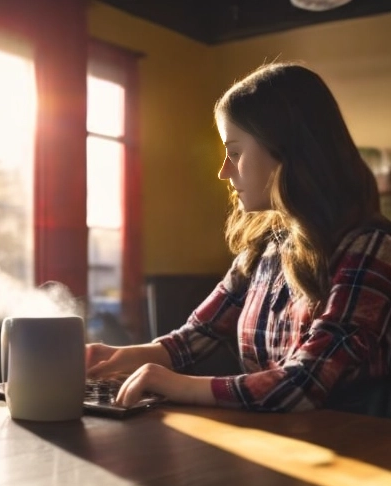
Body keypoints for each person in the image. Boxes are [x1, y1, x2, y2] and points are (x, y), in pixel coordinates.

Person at [86, 61, 391, 415]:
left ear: (285, 148)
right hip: (278, 446)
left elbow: (305, 384)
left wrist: (172, 383)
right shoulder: (266, 246)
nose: (223, 172)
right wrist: (119, 357)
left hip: (354, 456)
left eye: (234, 153)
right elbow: (196, 337)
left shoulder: (372, 247)